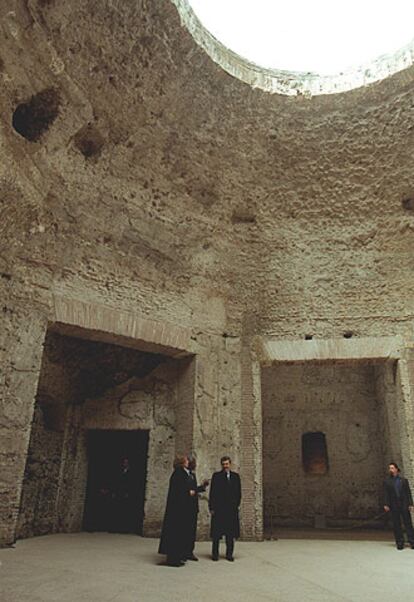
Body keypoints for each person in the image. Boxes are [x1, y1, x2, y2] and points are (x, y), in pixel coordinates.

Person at [158, 454, 196, 567]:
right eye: (186, 460)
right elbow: (178, 490)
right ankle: (173, 559)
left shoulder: (184, 473)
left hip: (181, 508)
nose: (188, 461)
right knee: (175, 533)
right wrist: (188, 493)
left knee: (179, 533)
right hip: (178, 509)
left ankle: (178, 556)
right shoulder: (178, 473)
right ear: (182, 462)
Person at [209, 455, 241, 561]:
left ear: (230, 464)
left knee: (230, 534)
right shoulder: (216, 476)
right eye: (223, 464)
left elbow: (238, 493)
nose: (225, 466)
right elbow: (212, 493)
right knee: (216, 534)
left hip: (231, 510)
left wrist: (236, 505)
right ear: (221, 465)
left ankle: (229, 554)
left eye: (227, 464)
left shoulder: (236, 477)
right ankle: (215, 554)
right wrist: (212, 507)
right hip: (219, 509)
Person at [384, 462, 414, 550]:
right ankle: (400, 542)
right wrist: (386, 504)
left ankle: (412, 541)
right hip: (394, 505)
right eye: (390, 468)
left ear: (397, 469)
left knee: (408, 523)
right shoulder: (387, 482)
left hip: (404, 504)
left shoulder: (404, 481)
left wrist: (411, 504)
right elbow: (386, 494)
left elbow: (408, 493)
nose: (391, 470)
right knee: (396, 524)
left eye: (392, 468)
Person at [185, 455, 209, 561]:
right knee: (185, 530)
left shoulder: (192, 475)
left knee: (191, 532)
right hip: (186, 507)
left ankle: (189, 552)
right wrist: (190, 492)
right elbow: (184, 490)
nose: (193, 465)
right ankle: (183, 552)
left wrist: (203, 486)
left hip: (193, 508)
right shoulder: (183, 475)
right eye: (191, 462)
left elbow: (194, 489)